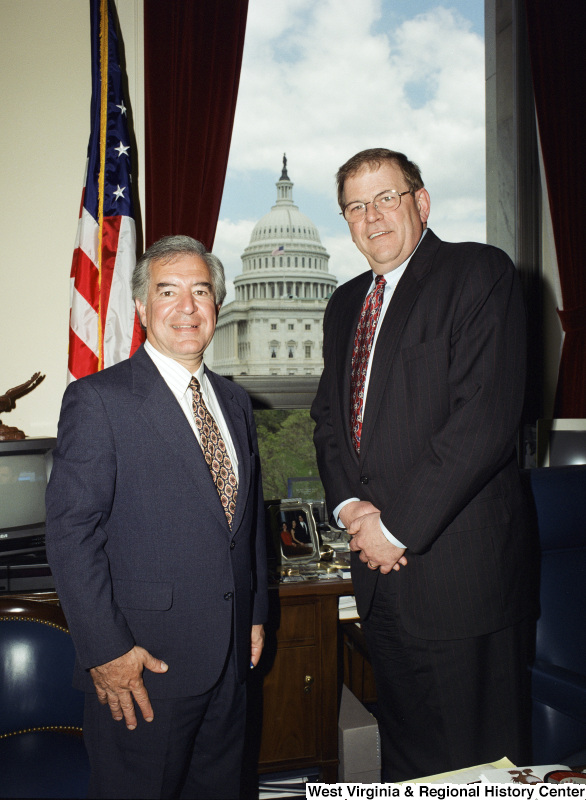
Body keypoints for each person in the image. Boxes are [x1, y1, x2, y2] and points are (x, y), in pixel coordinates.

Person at [311, 148, 537, 782]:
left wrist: (394, 528)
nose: (372, 216)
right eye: (355, 206)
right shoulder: (344, 304)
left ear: (421, 202)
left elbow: (484, 421)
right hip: (382, 585)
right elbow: (331, 422)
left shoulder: (477, 272)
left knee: (481, 773)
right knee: (409, 768)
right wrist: (351, 509)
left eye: (386, 198)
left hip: (462, 583)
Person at [46, 235, 268, 799]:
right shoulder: (100, 400)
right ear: (142, 309)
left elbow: (249, 523)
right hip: (143, 665)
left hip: (232, 658)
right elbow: (72, 535)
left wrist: (256, 613)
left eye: (201, 290)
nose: (187, 307)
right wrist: (107, 650)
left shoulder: (235, 402)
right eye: (168, 291)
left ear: (217, 305)